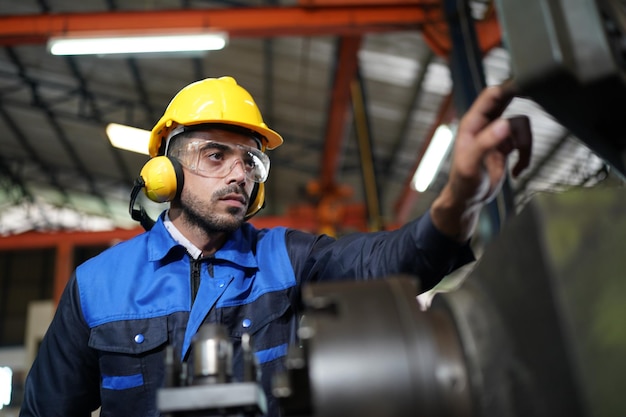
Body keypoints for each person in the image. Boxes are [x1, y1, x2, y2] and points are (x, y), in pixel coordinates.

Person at [20, 76, 531, 417]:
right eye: (215, 155)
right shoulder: (96, 286)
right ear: (164, 173)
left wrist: (460, 197)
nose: (239, 173)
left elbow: (396, 261)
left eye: (250, 162)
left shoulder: (290, 258)